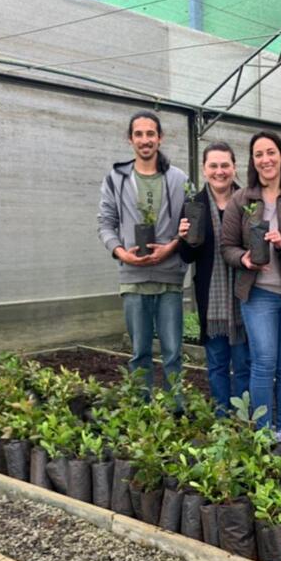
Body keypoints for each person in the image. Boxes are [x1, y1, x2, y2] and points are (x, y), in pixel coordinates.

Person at [221, 131, 281, 440]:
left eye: (271, 152)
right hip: (258, 294)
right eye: (259, 154)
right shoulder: (241, 199)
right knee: (263, 362)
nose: (265, 159)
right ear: (253, 161)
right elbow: (227, 247)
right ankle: (262, 431)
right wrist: (245, 259)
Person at [97, 110, 187, 393]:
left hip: (169, 276)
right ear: (130, 139)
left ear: (160, 138)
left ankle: (176, 410)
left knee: (173, 353)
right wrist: (121, 252)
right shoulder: (116, 178)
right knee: (140, 353)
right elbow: (105, 223)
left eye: (151, 133)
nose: (145, 140)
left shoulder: (178, 178)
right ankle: (142, 413)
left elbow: (190, 224)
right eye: (139, 134)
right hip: (133, 278)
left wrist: (170, 247)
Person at [177, 142, 250, 415]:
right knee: (217, 361)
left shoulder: (248, 202)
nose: (220, 171)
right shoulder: (193, 205)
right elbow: (186, 257)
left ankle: (243, 417)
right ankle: (222, 415)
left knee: (244, 362)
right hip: (212, 296)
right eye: (213, 166)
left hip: (245, 293)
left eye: (225, 165)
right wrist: (184, 238)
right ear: (205, 170)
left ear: (234, 167)